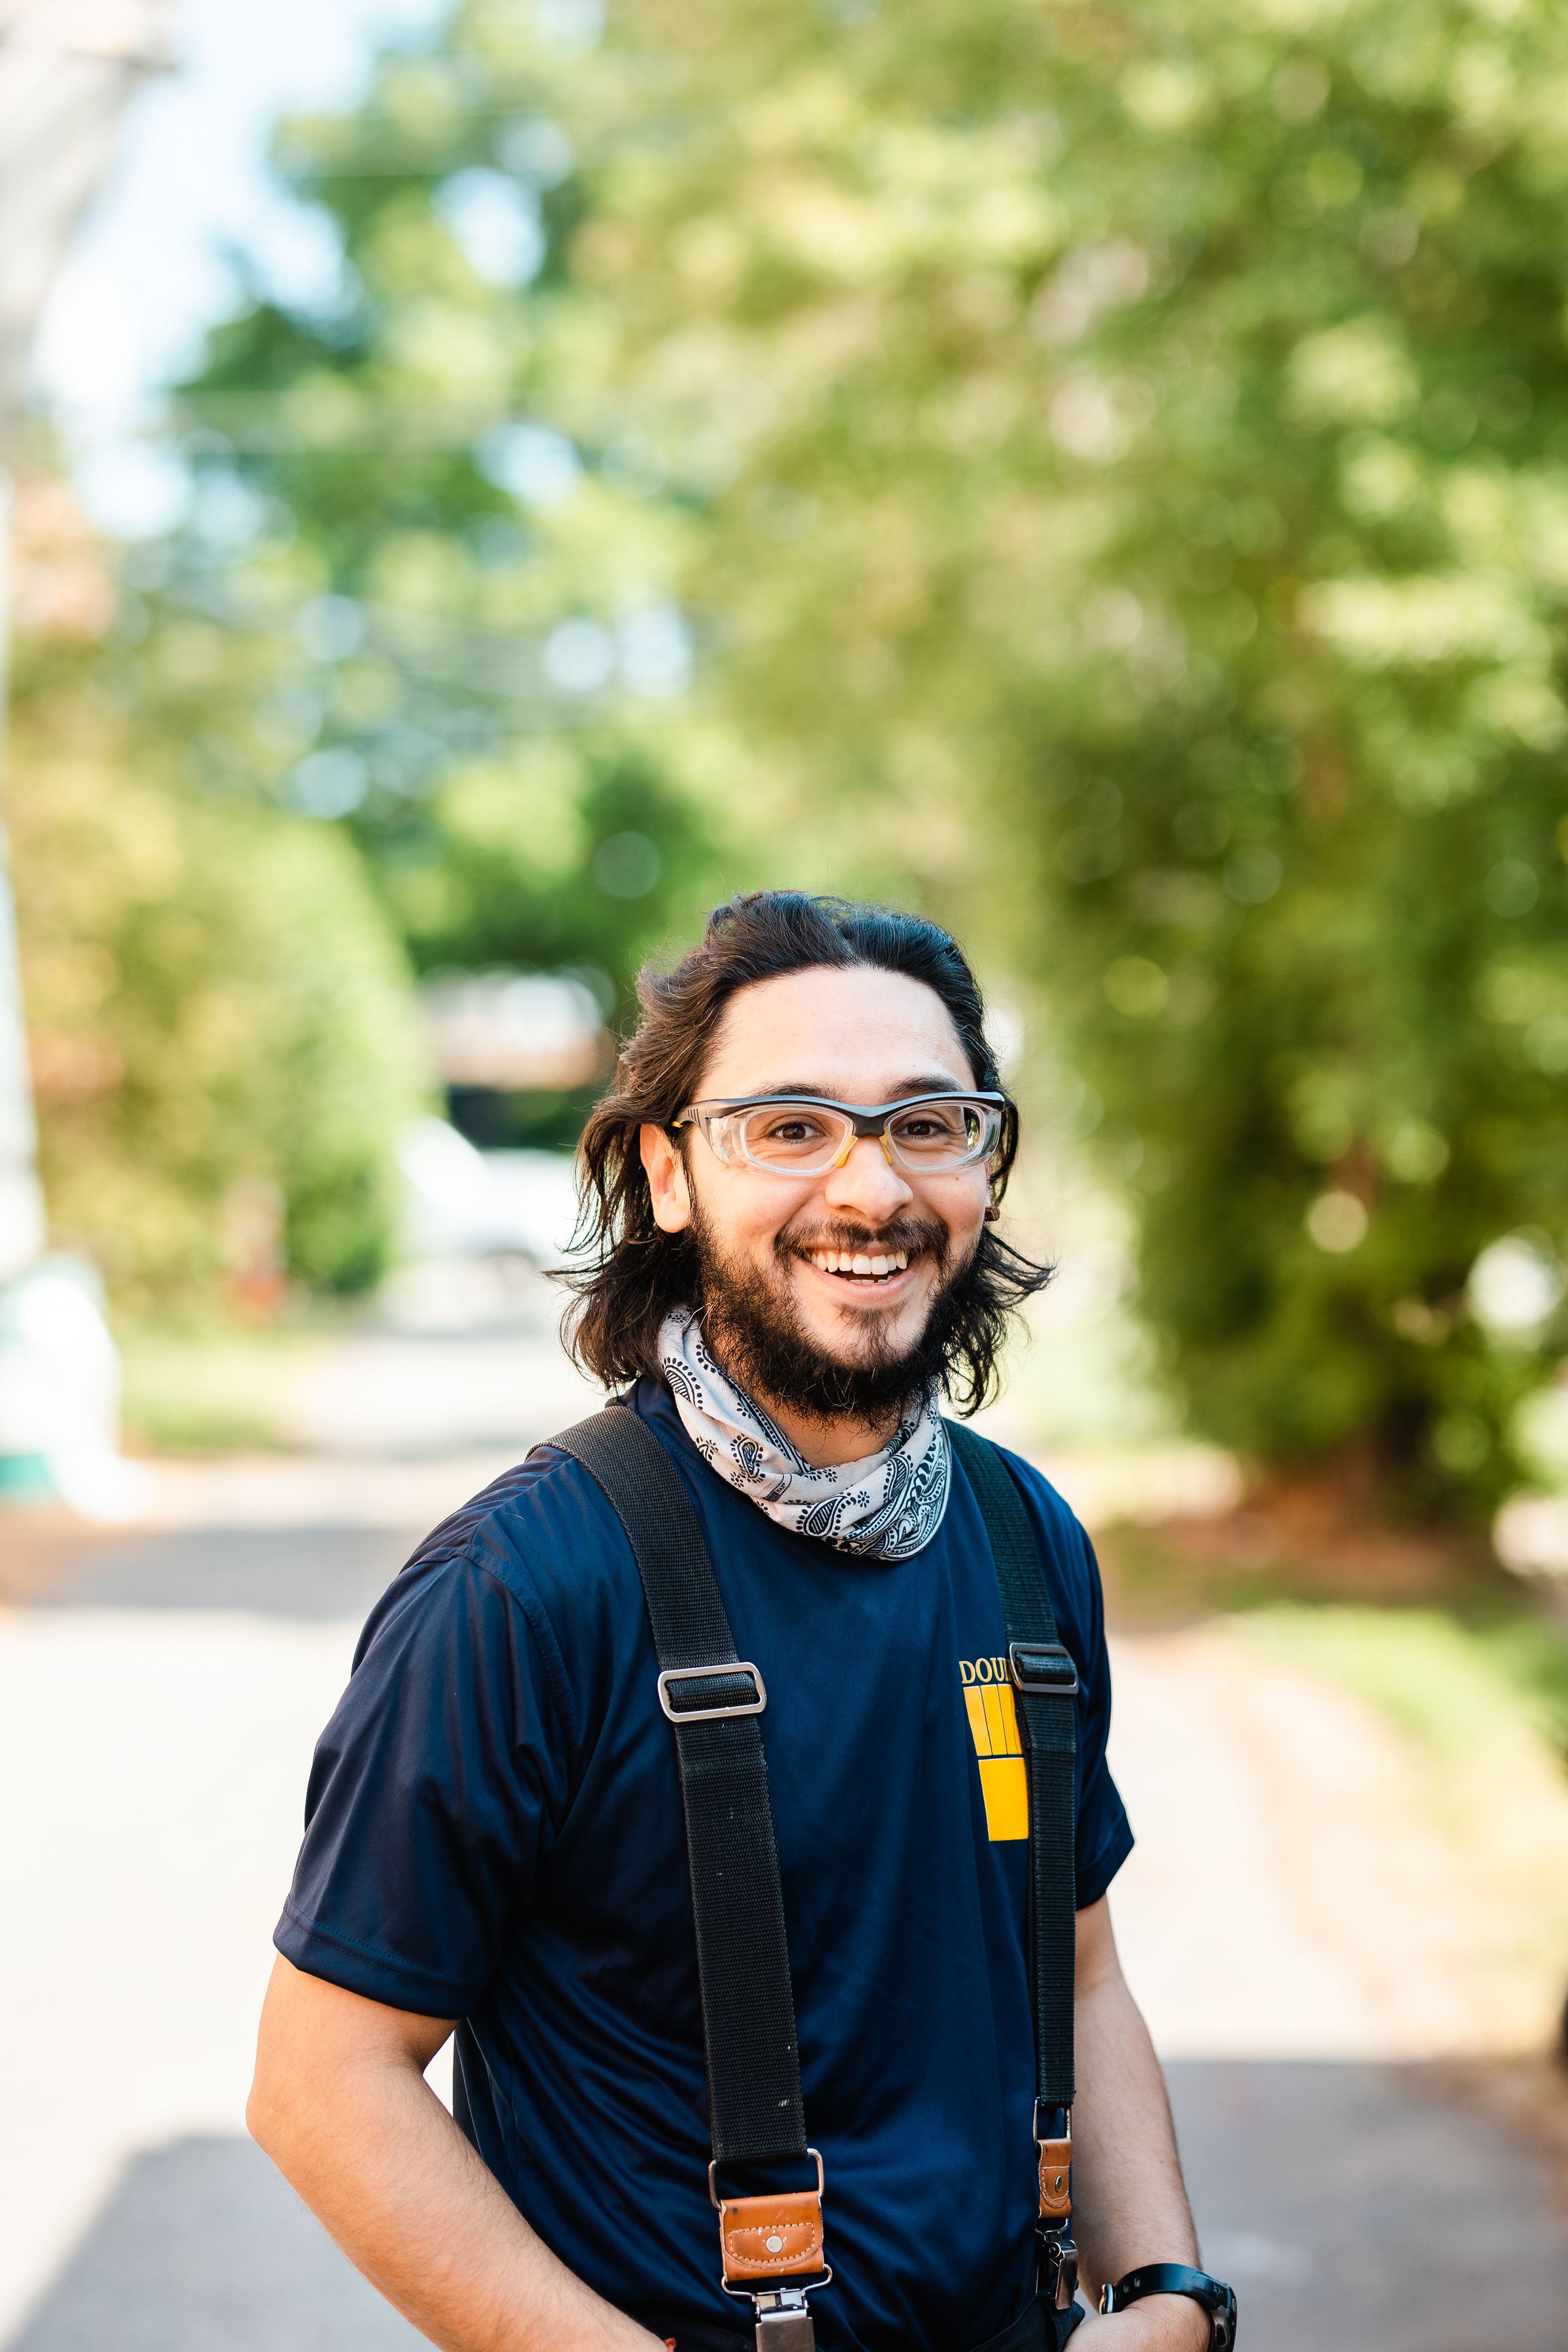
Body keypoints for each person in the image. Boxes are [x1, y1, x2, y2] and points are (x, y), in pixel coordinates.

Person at [249, 892, 1226, 2352]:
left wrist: (1166, 2296)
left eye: (925, 1122)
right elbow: (323, 2083)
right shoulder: (524, 1588)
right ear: (668, 1173)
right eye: (788, 1127)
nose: (869, 1188)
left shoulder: (1026, 1541)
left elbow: (1076, 1969)